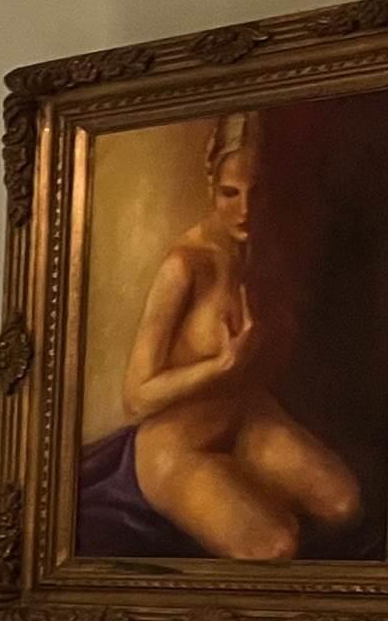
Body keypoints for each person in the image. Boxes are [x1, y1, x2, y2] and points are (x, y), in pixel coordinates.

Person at [113, 115, 361, 562]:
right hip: (178, 444)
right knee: (276, 545)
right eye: (230, 193)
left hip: (246, 420)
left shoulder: (263, 254)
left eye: (256, 192)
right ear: (211, 184)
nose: (245, 209)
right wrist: (221, 366)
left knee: (344, 504)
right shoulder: (184, 266)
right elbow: (136, 397)